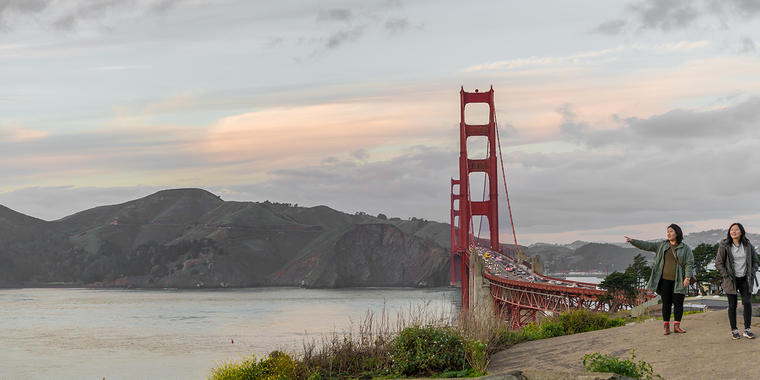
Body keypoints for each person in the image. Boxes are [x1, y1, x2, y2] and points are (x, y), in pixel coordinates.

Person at [625, 224, 694, 335]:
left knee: (678, 304)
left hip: (679, 280)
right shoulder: (662, 245)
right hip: (664, 280)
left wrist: (688, 277)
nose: (669, 233)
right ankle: (666, 326)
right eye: (667, 231)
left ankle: (677, 326)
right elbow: (647, 245)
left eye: (671, 231)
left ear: (677, 233)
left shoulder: (685, 248)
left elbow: (689, 263)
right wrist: (633, 241)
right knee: (666, 303)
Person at [715, 222, 758, 340]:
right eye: (731, 230)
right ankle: (734, 330)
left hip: (745, 279)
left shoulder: (747, 245)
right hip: (731, 280)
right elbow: (718, 263)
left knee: (747, 303)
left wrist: (752, 272)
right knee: (732, 305)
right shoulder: (724, 245)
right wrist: (726, 275)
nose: (733, 231)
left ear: (741, 232)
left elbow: (755, 261)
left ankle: (747, 329)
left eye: (736, 230)